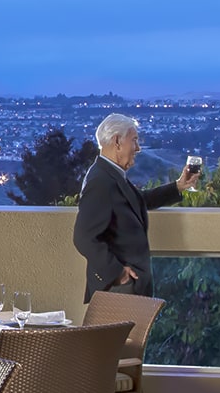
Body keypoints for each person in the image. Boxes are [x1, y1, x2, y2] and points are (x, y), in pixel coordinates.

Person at [73, 114, 200, 301]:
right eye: (134, 141)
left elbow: (137, 200)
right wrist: (117, 273)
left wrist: (178, 187)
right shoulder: (101, 181)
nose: (138, 148)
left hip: (126, 288)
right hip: (118, 289)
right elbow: (83, 238)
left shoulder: (111, 174)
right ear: (117, 141)